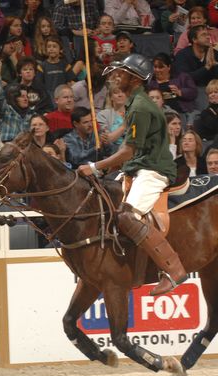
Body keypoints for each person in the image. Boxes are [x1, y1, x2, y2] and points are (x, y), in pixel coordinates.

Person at [77, 53, 186, 296]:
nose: (116, 76)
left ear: (135, 79)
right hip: (137, 167)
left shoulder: (140, 107)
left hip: (153, 170)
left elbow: (128, 151)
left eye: (121, 73)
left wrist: (96, 167)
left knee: (127, 217)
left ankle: (173, 269)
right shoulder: (134, 104)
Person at [146, 53, 197, 119]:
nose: (157, 70)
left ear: (169, 67)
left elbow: (194, 92)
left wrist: (180, 92)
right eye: (155, 67)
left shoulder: (182, 77)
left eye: (161, 67)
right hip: (159, 114)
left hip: (181, 112)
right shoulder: (149, 82)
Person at [97, 85, 127, 153]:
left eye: (123, 92)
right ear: (111, 97)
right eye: (116, 92)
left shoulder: (134, 113)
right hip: (112, 152)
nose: (120, 95)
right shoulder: (103, 115)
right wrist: (124, 126)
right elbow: (107, 139)